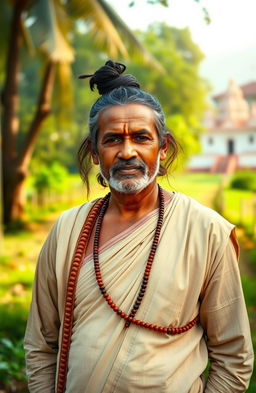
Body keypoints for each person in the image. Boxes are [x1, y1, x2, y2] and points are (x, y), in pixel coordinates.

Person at [24, 60, 254, 393]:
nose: (127, 151)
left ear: (162, 147)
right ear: (94, 152)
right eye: (113, 139)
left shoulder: (206, 231)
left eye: (142, 138)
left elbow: (234, 356)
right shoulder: (66, 230)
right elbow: (41, 345)